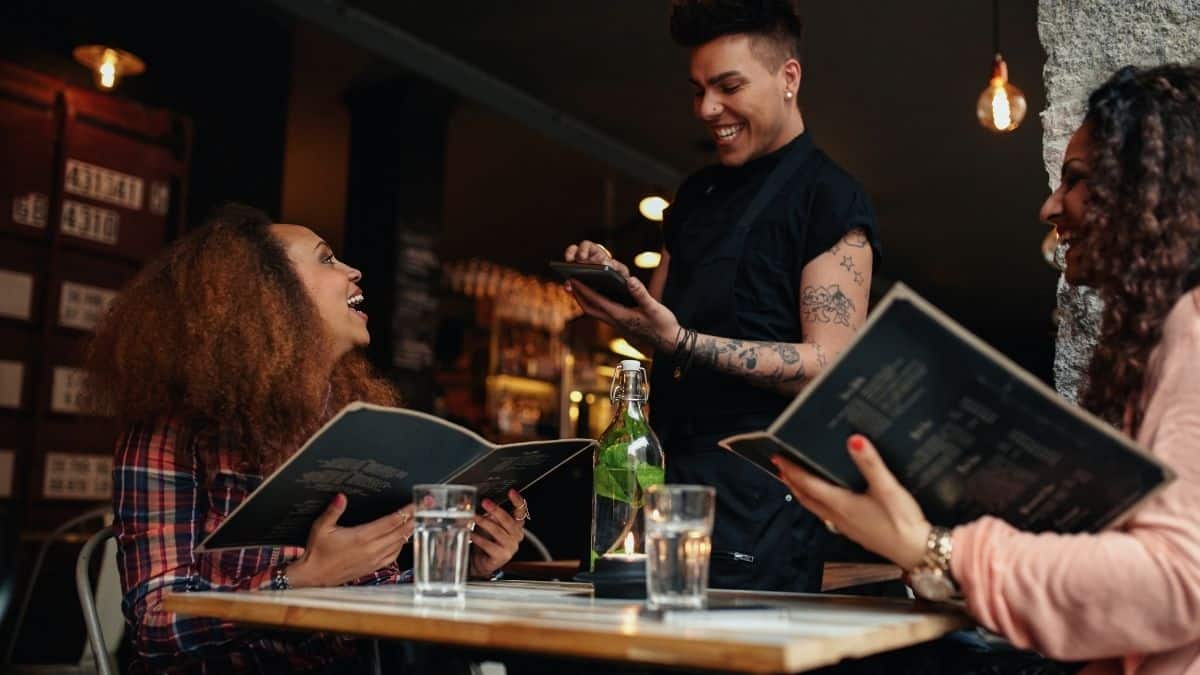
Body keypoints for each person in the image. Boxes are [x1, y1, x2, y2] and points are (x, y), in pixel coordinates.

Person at [776, 64, 1200, 674]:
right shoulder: (1158, 335)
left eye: (1075, 181)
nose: (1049, 207)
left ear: (1148, 193)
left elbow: (1175, 581)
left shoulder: (1192, 325)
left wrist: (935, 550)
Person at [85, 204, 529, 674]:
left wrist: (467, 567)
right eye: (327, 259)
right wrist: (300, 580)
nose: (353, 271)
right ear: (268, 296)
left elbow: (370, 591)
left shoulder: (347, 418)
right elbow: (156, 623)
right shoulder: (174, 428)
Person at [563, 0, 880, 592]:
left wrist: (679, 341)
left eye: (728, 86)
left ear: (789, 78)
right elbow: (659, 326)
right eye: (699, 89)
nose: (708, 109)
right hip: (662, 482)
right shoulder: (697, 194)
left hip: (761, 497)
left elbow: (829, 367)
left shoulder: (829, 197)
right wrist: (615, 292)